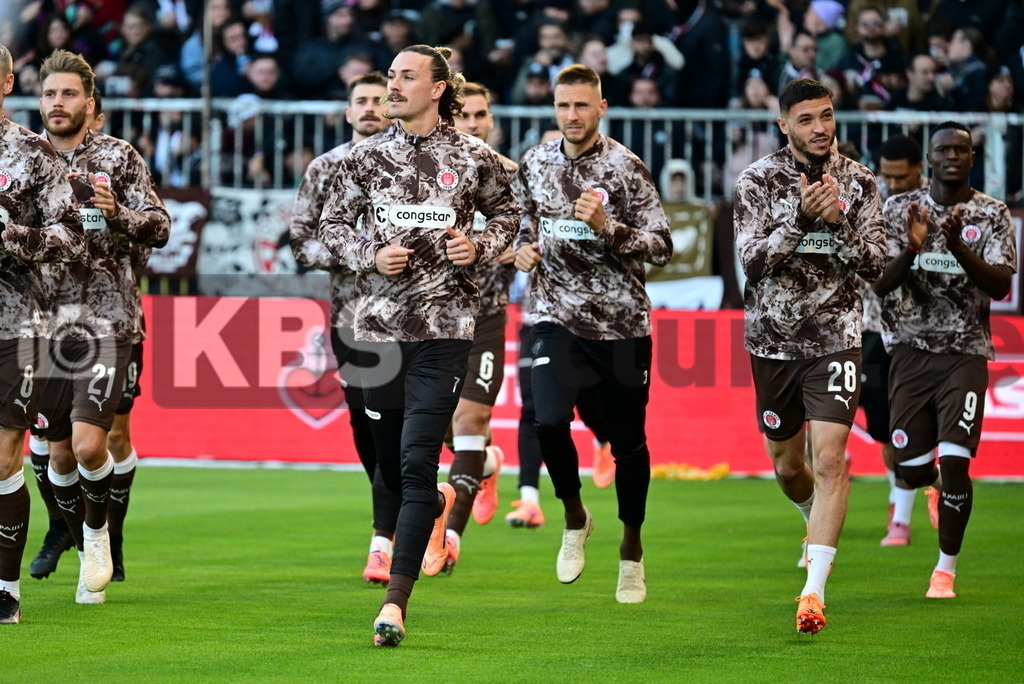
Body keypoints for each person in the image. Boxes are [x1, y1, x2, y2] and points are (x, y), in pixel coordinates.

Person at [318, 45, 519, 647]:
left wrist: (479, 247)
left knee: (411, 465)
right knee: (389, 469)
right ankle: (429, 502)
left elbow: (510, 211)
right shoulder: (364, 158)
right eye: (389, 77)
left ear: (437, 89)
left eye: (405, 77)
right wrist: (368, 255)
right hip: (378, 334)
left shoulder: (475, 157)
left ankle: (395, 604)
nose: (392, 86)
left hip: (445, 333)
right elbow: (330, 228)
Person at [512, 64, 672, 604]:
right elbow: (520, 221)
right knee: (549, 419)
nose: (572, 116)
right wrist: (522, 248)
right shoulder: (534, 162)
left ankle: (631, 549)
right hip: (554, 316)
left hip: (622, 325)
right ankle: (575, 516)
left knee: (628, 444)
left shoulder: (626, 168)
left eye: (582, 105)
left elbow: (664, 245)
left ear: (602, 107)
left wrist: (609, 228)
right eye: (563, 106)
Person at [733, 78, 885, 634]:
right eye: (806, 119)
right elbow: (751, 263)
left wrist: (836, 221)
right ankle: (807, 518)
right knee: (788, 466)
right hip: (773, 342)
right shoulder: (756, 181)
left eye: (826, 116)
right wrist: (800, 218)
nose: (820, 128)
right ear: (784, 125)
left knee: (831, 460)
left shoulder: (861, 183)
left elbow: (875, 266)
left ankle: (813, 593)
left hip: (836, 337)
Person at [33, 49, 170, 606]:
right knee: (57, 455)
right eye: (49, 94)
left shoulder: (118, 156)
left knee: (97, 444)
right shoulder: (22, 157)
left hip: (108, 320)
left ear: (91, 103)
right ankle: (69, 528)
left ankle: (99, 538)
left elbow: (159, 226)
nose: (58, 103)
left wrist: (118, 216)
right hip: (37, 323)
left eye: (68, 94)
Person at [873, 122, 1017, 599]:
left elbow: (1000, 285)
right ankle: (930, 484)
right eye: (944, 149)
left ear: (972, 158)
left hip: (966, 352)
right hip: (910, 352)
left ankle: (944, 570)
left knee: (957, 463)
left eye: (962, 148)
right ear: (928, 161)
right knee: (910, 470)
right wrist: (914, 249)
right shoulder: (899, 209)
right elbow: (880, 283)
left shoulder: (992, 214)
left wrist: (958, 246)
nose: (953, 155)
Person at [289, 72, 401, 587]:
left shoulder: (413, 163)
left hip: (415, 315)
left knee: (403, 425)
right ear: (348, 111)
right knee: (364, 422)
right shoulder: (325, 168)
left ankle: (385, 537)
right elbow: (301, 242)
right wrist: (358, 256)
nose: (373, 107)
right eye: (363, 101)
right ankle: (405, 506)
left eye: (381, 99)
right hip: (352, 316)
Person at [0, 42, 85, 625]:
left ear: (7, 83)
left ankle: (5, 589)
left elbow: (72, 234)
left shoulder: (30, 153)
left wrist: (14, 237)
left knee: (3, 454)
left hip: (14, 323)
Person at [440, 81, 518, 575]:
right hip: (433, 318)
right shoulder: (433, 171)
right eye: (463, 114)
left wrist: (520, 248)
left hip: (485, 314)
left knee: (468, 422)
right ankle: (486, 466)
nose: (472, 122)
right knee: (442, 428)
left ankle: (448, 538)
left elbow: (537, 230)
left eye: (481, 114)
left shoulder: (513, 175)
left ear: (492, 120)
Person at [872, 134, 929, 547]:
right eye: (886, 176)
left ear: (918, 168)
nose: (892, 184)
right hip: (871, 329)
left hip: (921, 333)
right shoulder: (871, 200)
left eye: (900, 177)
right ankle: (905, 492)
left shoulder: (937, 204)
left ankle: (902, 517)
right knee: (884, 430)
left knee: (907, 425)